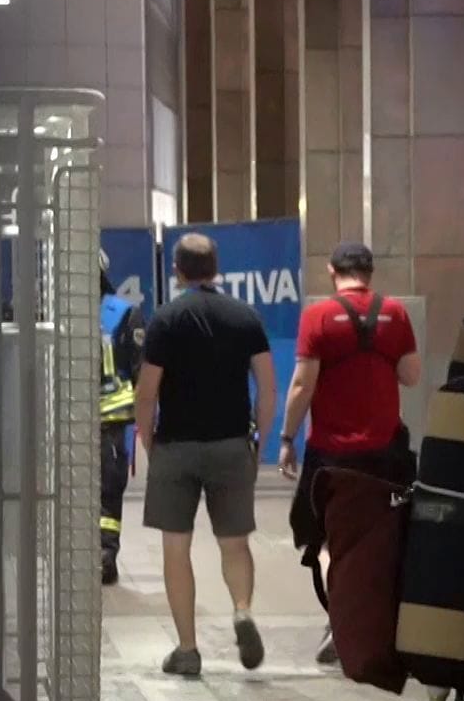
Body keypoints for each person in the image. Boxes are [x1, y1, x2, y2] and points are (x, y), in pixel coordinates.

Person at [136, 233, 276, 677]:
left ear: (177, 270)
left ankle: (188, 649)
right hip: (231, 445)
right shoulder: (245, 317)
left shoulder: (166, 319)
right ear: (216, 269)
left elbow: (147, 391)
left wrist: (148, 439)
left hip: (176, 445)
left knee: (176, 549)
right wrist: (260, 441)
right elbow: (267, 387)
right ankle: (241, 610)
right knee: (234, 544)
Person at [278, 241, 422, 665]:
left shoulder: (318, 317)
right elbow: (411, 376)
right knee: (376, 540)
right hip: (385, 454)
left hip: (331, 455)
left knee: (324, 539)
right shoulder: (394, 313)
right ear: (371, 273)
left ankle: (339, 625)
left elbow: (303, 385)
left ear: (331, 272)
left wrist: (286, 439)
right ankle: (370, 624)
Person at [98, 254, 144, 585]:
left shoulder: (123, 313)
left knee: (108, 493)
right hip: (102, 424)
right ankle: (99, 556)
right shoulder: (123, 312)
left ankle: (104, 555)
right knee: (104, 492)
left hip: (108, 422)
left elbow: (141, 371)